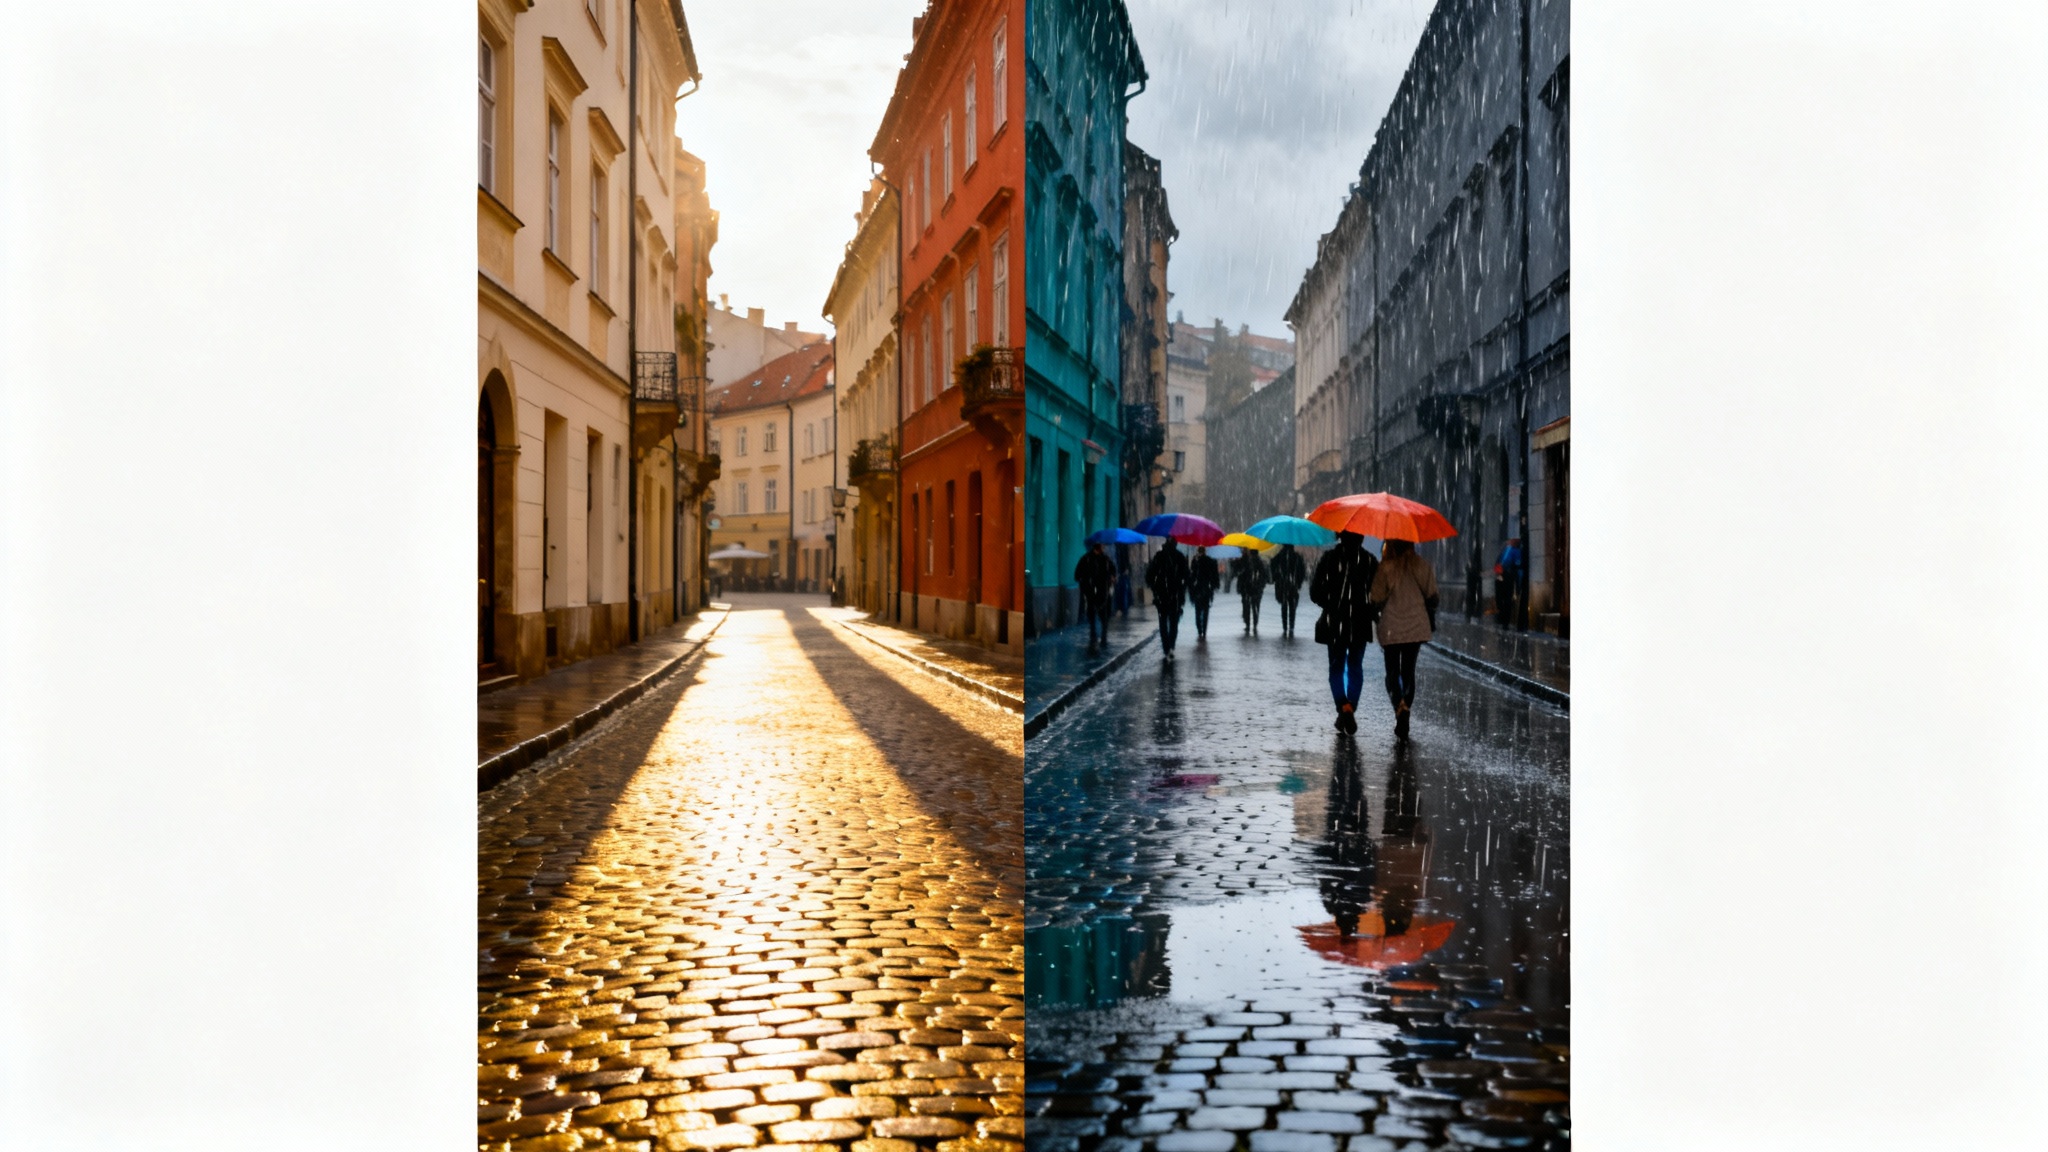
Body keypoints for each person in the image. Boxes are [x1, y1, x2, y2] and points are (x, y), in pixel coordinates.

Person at [1309, 531, 1379, 732]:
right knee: (1355, 666)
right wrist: (1367, 609)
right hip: (1359, 622)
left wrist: (1332, 604)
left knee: (1336, 666)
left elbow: (1315, 592)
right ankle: (1349, 708)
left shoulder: (1329, 558)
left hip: (1335, 622)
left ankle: (1343, 706)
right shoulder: (1369, 561)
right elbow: (1377, 594)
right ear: (1362, 538)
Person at [1371, 538, 1440, 740]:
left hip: (1392, 627)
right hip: (1415, 627)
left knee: (1392, 673)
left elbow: (1375, 598)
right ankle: (1406, 704)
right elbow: (1433, 596)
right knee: (1408, 671)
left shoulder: (1386, 567)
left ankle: (1399, 706)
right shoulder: (1422, 565)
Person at [1144, 538, 1190, 659]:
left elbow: (1149, 575)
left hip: (1161, 594)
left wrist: (1154, 587)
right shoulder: (1179, 557)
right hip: (1175, 594)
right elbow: (1186, 576)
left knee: (1163, 621)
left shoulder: (1159, 556)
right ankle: (1171, 645)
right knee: (1174, 621)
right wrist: (1183, 587)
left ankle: (1166, 647)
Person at [1073, 541, 1116, 649]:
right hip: (1091, 592)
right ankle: (1093, 636)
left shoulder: (1106, 559)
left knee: (1104, 616)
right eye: (1103, 545)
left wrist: (1112, 577)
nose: (1104, 547)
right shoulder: (1086, 559)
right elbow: (1077, 575)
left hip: (1103, 592)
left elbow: (1113, 570)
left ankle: (1103, 637)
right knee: (1092, 614)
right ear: (1098, 547)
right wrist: (1085, 583)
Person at [1269, 543, 1308, 637]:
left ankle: (1285, 626)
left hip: (1282, 585)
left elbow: (1272, 568)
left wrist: (1276, 578)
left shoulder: (1278, 556)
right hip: (1293, 585)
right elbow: (1302, 572)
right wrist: (1298, 583)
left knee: (1284, 604)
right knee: (1292, 605)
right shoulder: (1297, 557)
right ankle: (1291, 625)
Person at [1188, 545, 1221, 641]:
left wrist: (1191, 587)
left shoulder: (1196, 561)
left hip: (1199, 588)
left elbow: (1192, 575)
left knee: (1198, 610)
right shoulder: (1209, 561)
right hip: (1206, 588)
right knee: (1205, 610)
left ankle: (1200, 629)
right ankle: (1203, 630)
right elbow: (1214, 575)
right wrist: (1215, 585)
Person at [1494, 536, 1523, 630]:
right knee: (1504, 600)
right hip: (1504, 577)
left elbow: (1517, 568)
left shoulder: (1512, 551)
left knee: (1504, 600)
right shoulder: (1507, 549)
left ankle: (1504, 621)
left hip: (1506, 577)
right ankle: (1503, 620)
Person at [1239, 548, 1270, 634]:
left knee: (1247, 606)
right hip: (1257, 588)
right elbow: (1264, 576)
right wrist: (1261, 586)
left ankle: (1248, 624)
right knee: (1255, 606)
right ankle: (1255, 623)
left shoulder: (1246, 561)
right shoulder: (1260, 562)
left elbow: (1241, 574)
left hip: (1247, 587)